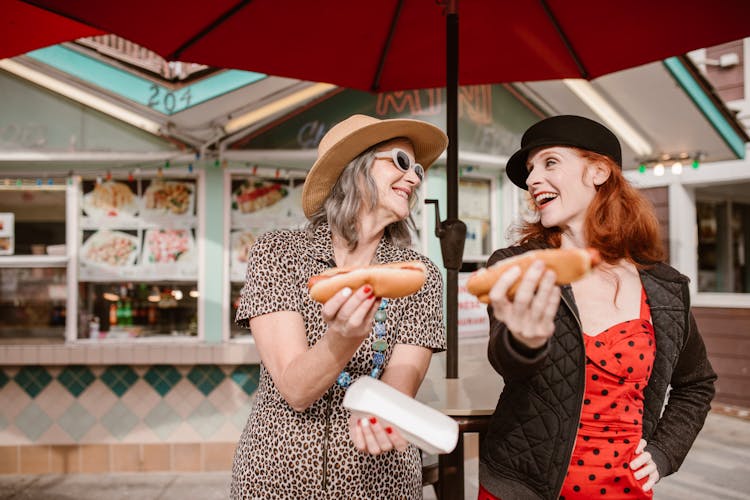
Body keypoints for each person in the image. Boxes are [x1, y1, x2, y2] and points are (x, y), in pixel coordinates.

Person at [477, 115, 717, 500]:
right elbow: (507, 362)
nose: (533, 179)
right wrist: (524, 340)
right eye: (530, 170)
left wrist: (664, 453)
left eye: (550, 162)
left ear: (599, 171)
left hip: (624, 491)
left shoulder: (665, 287)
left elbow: (696, 384)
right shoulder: (518, 266)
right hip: (520, 488)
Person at [231, 114, 448, 499]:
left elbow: (401, 384)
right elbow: (296, 389)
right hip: (279, 477)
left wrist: (385, 414)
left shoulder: (421, 275)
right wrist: (342, 338)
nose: (414, 178)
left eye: (416, 169)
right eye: (400, 162)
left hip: (381, 483)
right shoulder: (278, 253)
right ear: (355, 168)